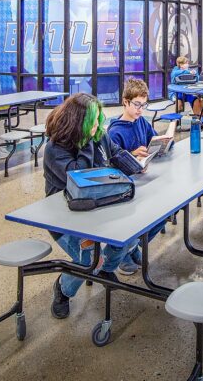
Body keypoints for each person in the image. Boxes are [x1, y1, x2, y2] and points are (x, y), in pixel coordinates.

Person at [42, 93, 163, 318]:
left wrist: (136, 165)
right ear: (79, 122)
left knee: (127, 236)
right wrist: (89, 142)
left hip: (102, 206)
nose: (98, 125)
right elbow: (81, 176)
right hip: (67, 219)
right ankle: (63, 289)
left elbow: (115, 154)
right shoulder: (55, 149)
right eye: (94, 120)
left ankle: (105, 270)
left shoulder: (98, 135)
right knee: (88, 259)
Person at [107, 79, 168, 275]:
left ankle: (132, 248)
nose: (141, 109)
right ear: (125, 102)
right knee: (134, 221)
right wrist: (132, 156)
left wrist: (164, 142)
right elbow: (112, 164)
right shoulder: (115, 131)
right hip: (127, 185)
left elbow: (153, 138)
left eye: (144, 105)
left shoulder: (142, 121)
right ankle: (125, 253)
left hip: (145, 180)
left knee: (164, 214)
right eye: (137, 105)